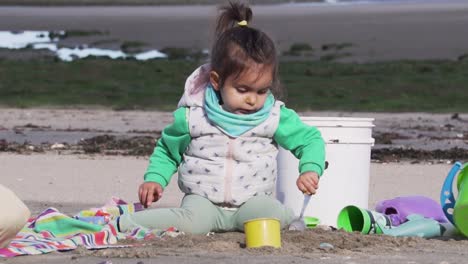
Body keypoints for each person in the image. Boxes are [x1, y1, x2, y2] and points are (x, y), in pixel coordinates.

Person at [116, 1, 325, 234]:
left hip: (252, 204)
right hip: (204, 203)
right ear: (216, 81)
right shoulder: (194, 115)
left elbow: (310, 140)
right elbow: (167, 149)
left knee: (271, 216)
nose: (252, 100)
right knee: (193, 224)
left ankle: (290, 218)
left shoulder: (274, 116)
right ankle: (125, 223)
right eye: (243, 90)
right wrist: (155, 179)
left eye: (261, 91)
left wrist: (310, 169)